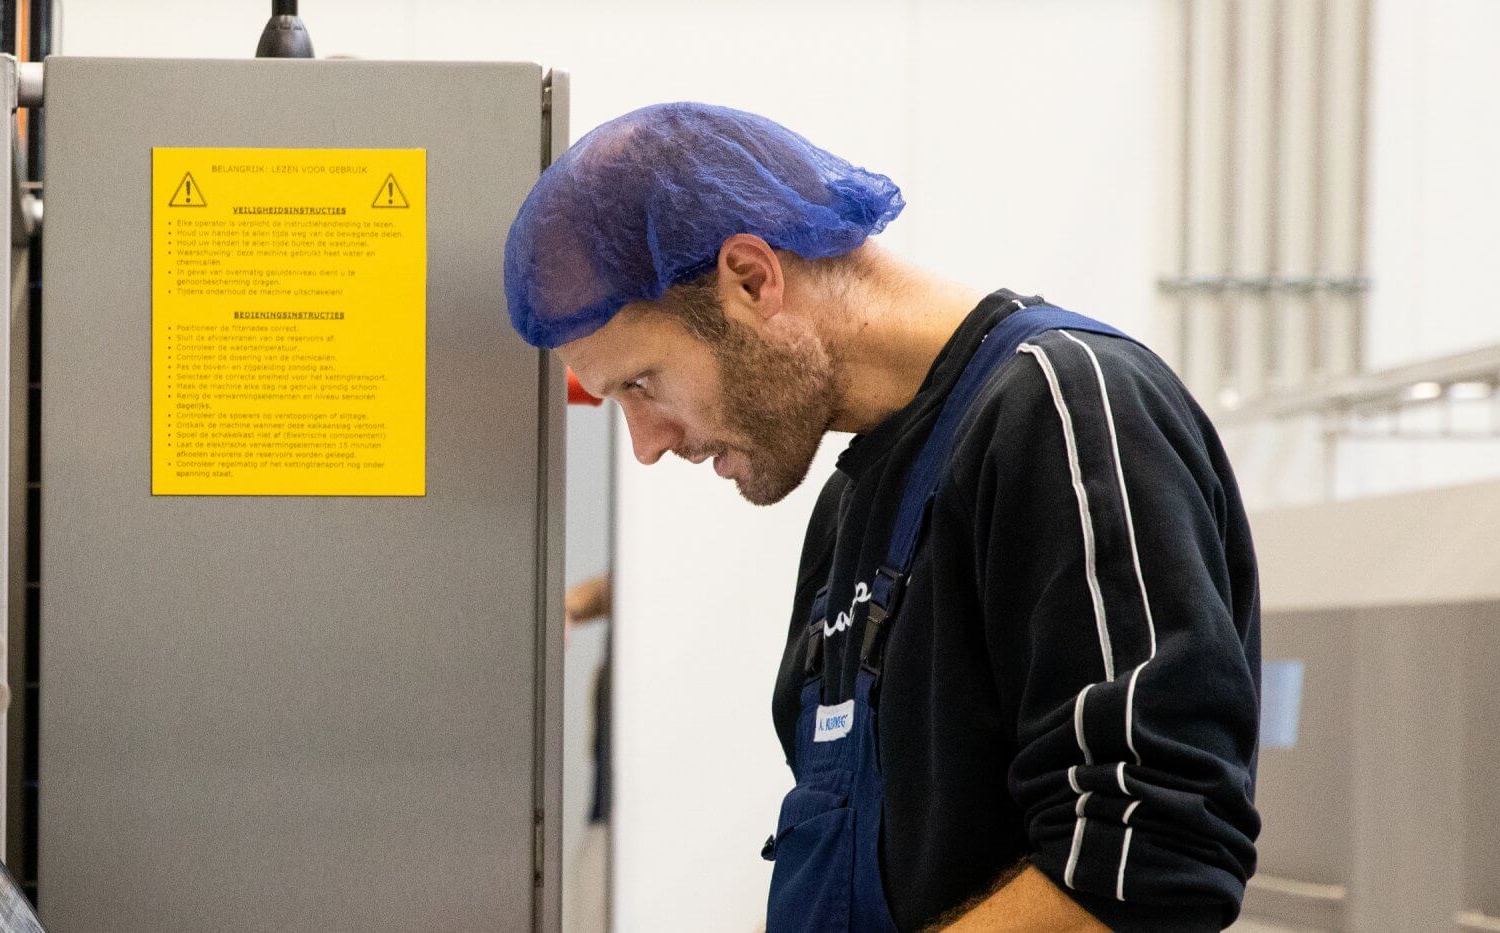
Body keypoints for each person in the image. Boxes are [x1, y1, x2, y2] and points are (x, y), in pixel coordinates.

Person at [503, 103, 1260, 931]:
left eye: (641, 383)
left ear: (752, 279)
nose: (646, 444)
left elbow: (1146, 859)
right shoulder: (850, 505)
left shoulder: (1065, 410)